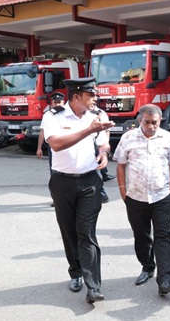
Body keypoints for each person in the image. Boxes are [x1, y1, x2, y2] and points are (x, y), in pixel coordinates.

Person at [40, 78, 114, 304]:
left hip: (89, 182)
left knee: (86, 232)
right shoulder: (53, 116)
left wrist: (104, 153)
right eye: (91, 95)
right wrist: (89, 129)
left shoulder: (97, 115)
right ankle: (76, 272)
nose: (95, 99)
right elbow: (56, 144)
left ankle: (94, 286)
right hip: (61, 182)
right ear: (76, 96)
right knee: (69, 231)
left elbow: (103, 142)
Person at [114, 104, 170, 296]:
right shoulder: (128, 138)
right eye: (147, 122)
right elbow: (120, 165)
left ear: (160, 121)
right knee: (141, 236)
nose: (151, 126)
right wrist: (123, 191)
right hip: (135, 197)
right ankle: (147, 266)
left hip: (161, 196)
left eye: (155, 123)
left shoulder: (168, 138)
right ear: (140, 120)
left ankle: (165, 279)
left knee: (163, 236)